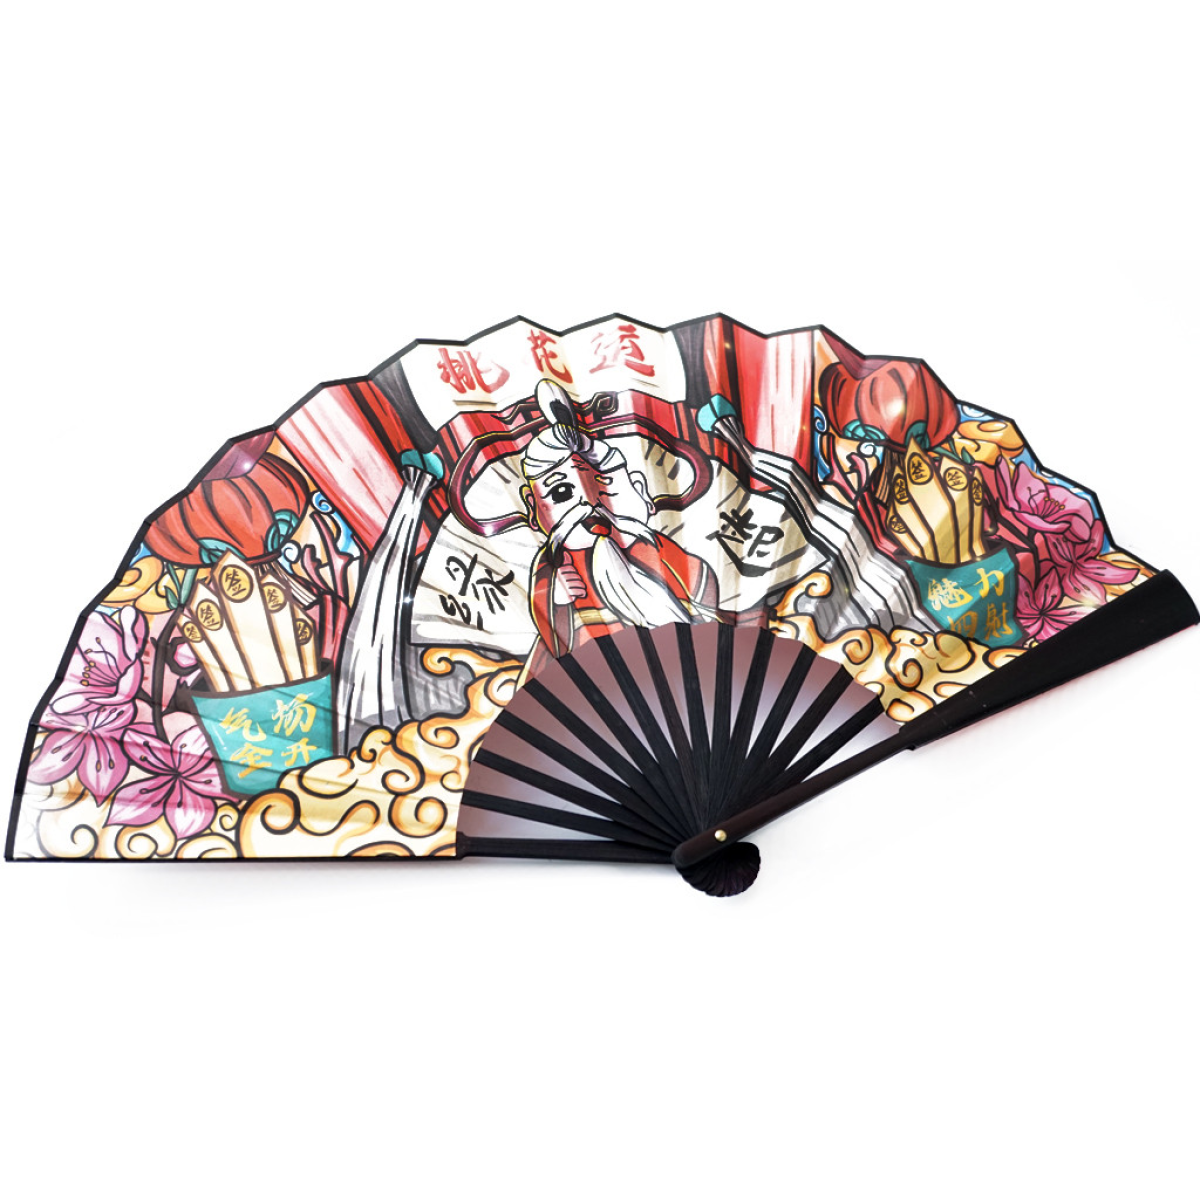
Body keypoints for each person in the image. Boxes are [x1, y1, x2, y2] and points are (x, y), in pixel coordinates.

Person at [521, 381, 718, 662]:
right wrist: (556, 598)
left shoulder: (649, 546)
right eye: (561, 492)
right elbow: (551, 629)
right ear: (533, 507)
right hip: (599, 669)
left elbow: (701, 586)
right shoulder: (556, 564)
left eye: (605, 484)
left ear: (639, 489)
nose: (589, 502)